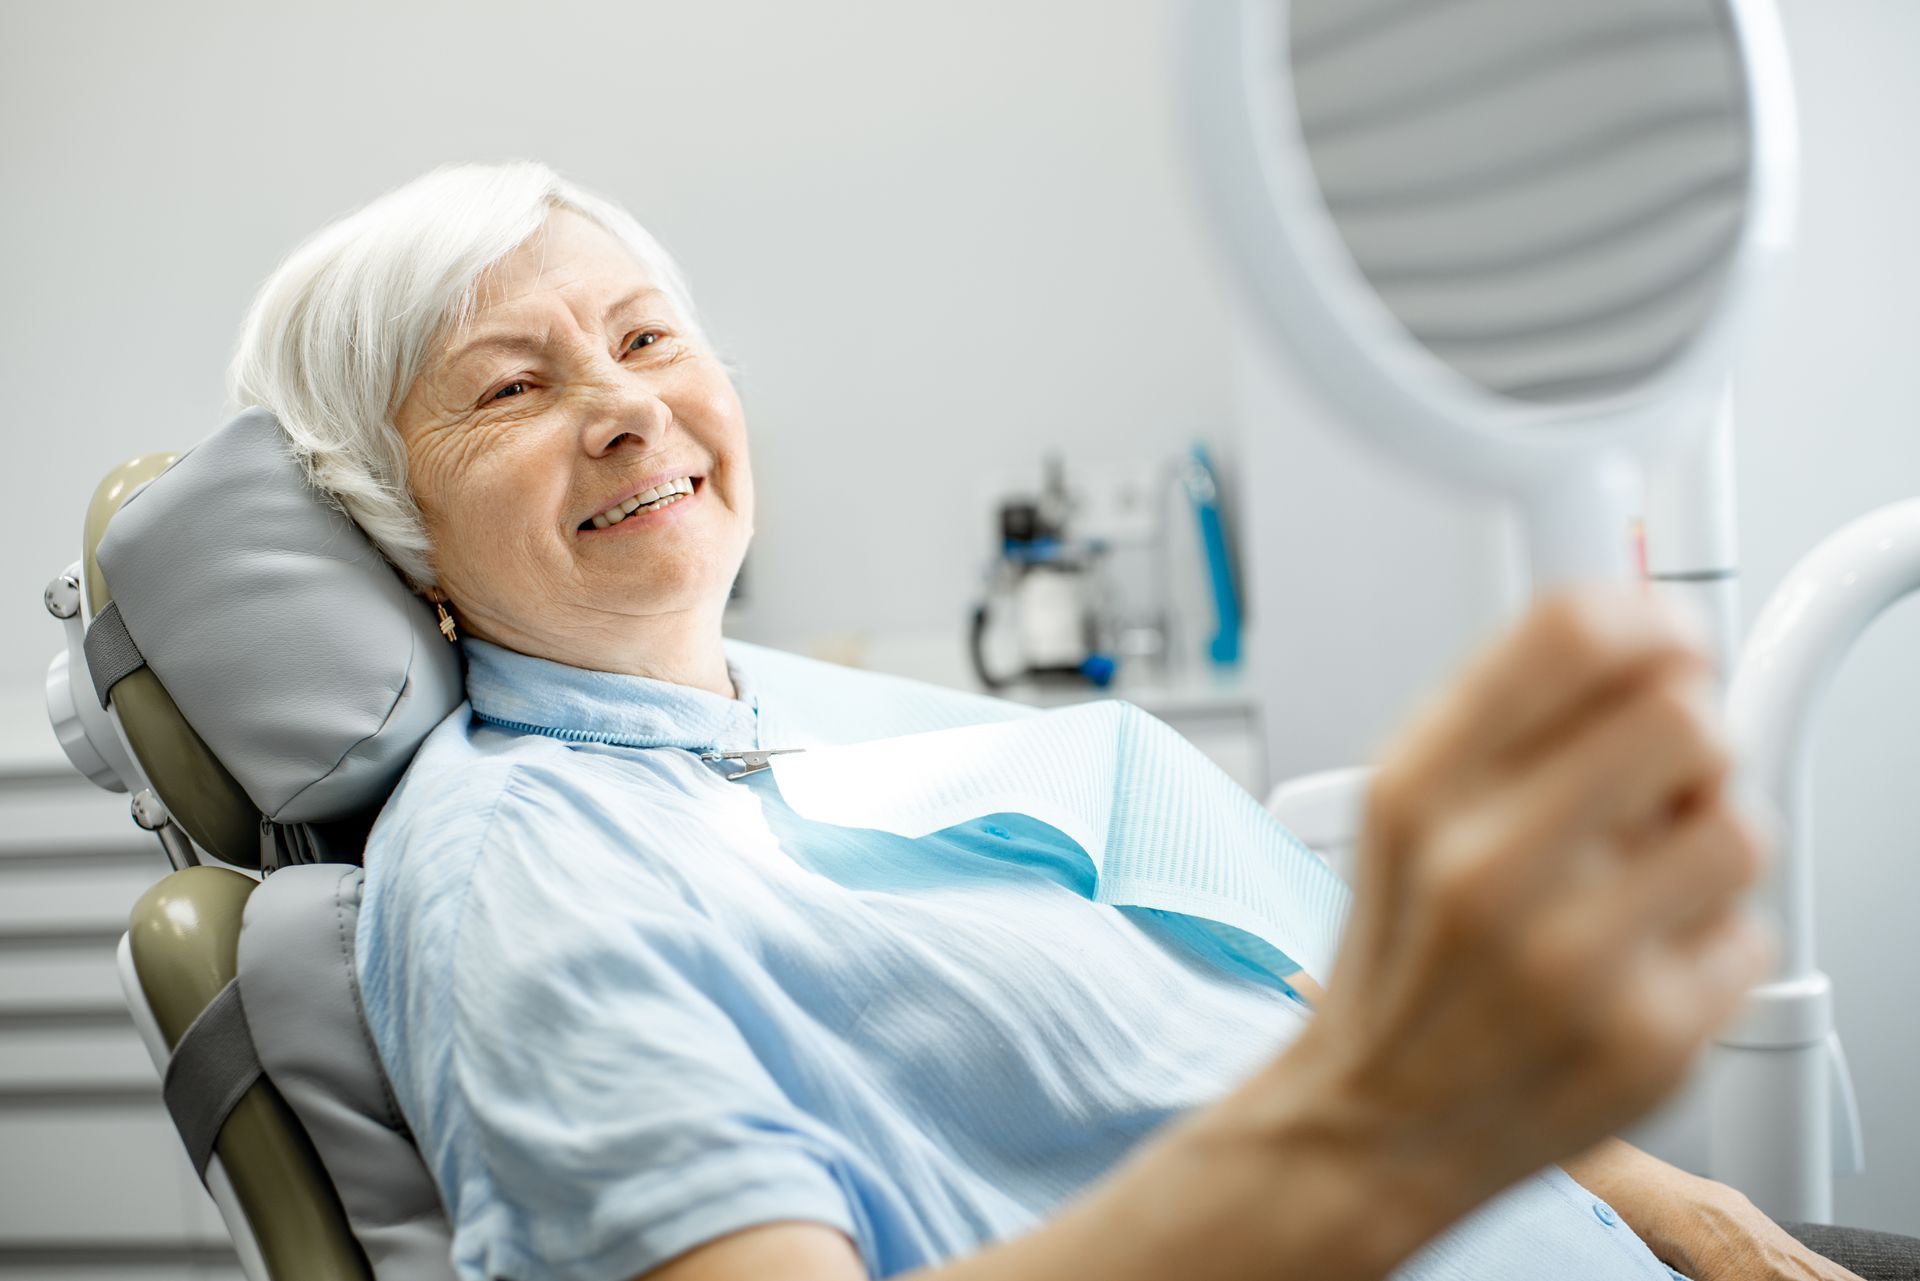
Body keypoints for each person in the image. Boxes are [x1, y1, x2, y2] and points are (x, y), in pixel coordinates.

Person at [230, 161, 1868, 1281]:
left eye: (649, 336)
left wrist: (1673, 1202)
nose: (626, 404)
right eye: (511, 388)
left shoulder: (799, 715)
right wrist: (1380, 1130)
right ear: (394, 525)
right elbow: (1363, 1083)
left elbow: (1271, 979)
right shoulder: (519, 873)